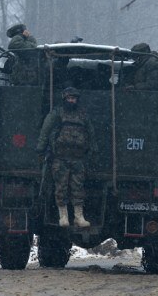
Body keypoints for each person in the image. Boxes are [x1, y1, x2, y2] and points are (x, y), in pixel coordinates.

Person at [35, 87, 97, 228]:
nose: (71, 101)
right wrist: (40, 149)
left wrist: (94, 150)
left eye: (74, 98)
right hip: (60, 158)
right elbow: (45, 131)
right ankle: (63, 216)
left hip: (78, 158)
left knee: (78, 188)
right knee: (61, 187)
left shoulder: (83, 115)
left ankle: (78, 217)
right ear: (64, 99)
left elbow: (91, 133)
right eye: (69, 98)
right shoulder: (57, 113)